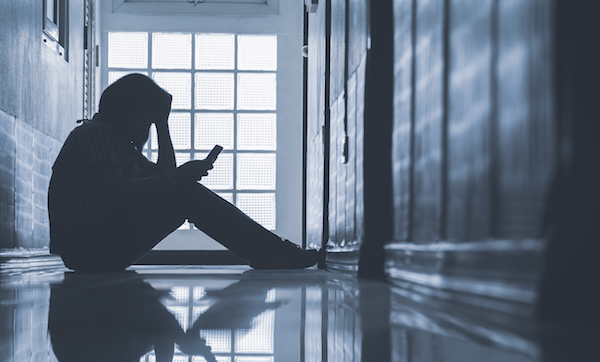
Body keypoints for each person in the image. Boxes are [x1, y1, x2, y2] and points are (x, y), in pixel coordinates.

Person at [47, 73, 319, 272]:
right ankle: (271, 252)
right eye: (146, 118)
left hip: (95, 246)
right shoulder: (93, 135)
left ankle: (270, 252)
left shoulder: (118, 144)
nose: (145, 127)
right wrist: (178, 177)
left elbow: (165, 177)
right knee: (184, 192)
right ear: (125, 110)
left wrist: (162, 126)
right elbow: (119, 192)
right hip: (87, 249)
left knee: (181, 190)